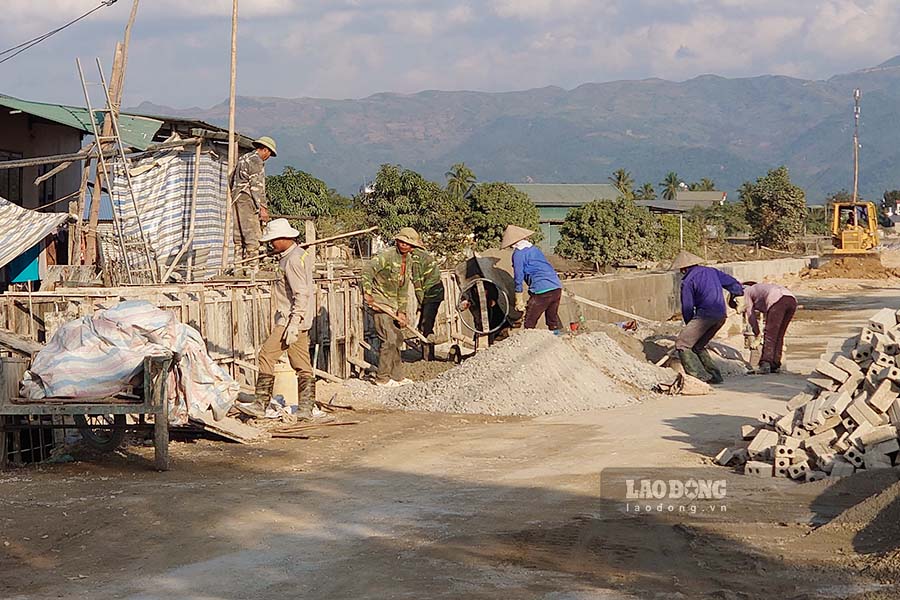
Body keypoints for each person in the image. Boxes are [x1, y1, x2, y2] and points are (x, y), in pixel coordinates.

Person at [240, 218, 320, 419]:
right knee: (301, 364)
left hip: (289, 320)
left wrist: (293, 323)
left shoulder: (292, 260)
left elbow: (300, 293)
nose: (271, 244)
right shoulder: (296, 255)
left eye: (274, 240)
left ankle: (260, 404)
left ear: (284, 238)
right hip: (295, 320)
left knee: (266, 355)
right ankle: (305, 408)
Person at [671, 250, 744, 384]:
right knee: (698, 345)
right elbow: (733, 284)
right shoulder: (712, 271)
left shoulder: (687, 281)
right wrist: (738, 295)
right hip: (721, 315)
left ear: (684, 268)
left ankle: (696, 378)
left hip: (705, 315)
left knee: (682, 343)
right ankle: (715, 376)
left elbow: (687, 307)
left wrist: (690, 325)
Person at [361, 229, 417, 386]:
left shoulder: (409, 261)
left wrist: (402, 311)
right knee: (389, 339)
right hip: (380, 304)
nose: (404, 245)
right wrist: (367, 292)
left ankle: (397, 376)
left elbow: (403, 288)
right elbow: (367, 271)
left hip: (394, 305)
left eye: (408, 243)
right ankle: (382, 378)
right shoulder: (386, 255)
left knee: (397, 339)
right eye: (402, 242)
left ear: (413, 247)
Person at [501, 225, 563, 331]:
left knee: (530, 322)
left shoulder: (518, 254)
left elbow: (518, 277)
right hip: (556, 287)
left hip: (541, 290)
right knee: (552, 320)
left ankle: (527, 345)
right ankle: (557, 339)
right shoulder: (534, 249)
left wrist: (518, 298)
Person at [231, 136, 277, 268]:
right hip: (247, 199)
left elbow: (232, 180)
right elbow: (257, 187)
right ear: (265, 150)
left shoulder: (243, 158)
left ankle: (238, 267)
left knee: (239, 236)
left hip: (236, 198)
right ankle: (252, 268)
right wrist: (263, 208)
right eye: (269, 154)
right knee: (252, 236)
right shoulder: (256, 161)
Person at [406, 228, 445, 361]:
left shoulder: (416, 259)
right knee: (427, 323)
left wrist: (421, 302)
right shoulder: (423, 254)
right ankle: (427, 355)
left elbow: (418, 284)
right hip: (435, 292)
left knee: (425, 325)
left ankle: (428, 357)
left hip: (431, 293)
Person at [742, 281, 797, 374]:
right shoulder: (760, 289)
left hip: (778, 300)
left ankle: (766, 363)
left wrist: (757, 334)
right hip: (791, 300)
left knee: (770, 333)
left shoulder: (746, 292)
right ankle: (775, 364)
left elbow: (751, 315)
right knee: (779, 334)